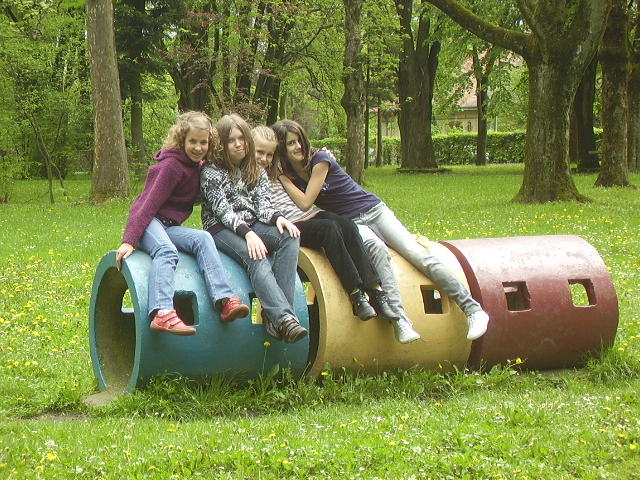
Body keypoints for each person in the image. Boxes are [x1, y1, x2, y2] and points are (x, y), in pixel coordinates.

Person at [271, 119, 490, 341]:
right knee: (378, 251)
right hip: (352, 223)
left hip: (374, 210)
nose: (298, 146)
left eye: (299, 140)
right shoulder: (289, 173)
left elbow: (305, 202)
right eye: (290, 143)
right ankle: (400, 320)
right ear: (281, 148)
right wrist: (281, 175)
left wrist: (282, 178)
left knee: (418, 255)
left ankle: (472, 309)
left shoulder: (320, 159)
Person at [252, 125, 420, 344]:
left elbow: (304, 155)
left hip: (311, 215)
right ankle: (356, 294)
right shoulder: (251, 174)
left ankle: (375, 291)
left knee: (347, 225)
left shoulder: (280, 165)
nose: (265, 158)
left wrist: (324, 154)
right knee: (329, 230)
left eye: (269, 154)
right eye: (260, 153)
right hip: (290, 224)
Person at [116, 111, 249, 336]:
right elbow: (145, 205)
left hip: (169, 226)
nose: (198, 147)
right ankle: (162, 312)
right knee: (166, 251)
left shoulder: (198, 167)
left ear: (210, 142)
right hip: (150, 222)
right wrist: (129, 240)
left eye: (203, 142)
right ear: (182, 140)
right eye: (192, 142)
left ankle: (224, 299)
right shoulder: (170, 166)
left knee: (204, 238)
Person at [200, 114, 308, 343]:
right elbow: (223, 211)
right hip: (220, 228)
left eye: (242, 138)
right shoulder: (211, 172)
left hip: (252, 222)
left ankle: (276, 315)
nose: (238, 144)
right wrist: (248, 234)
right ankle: (284, 318)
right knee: (256, 256)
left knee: (289, 236)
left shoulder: (255, 170)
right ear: (221, 144)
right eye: (231, 140)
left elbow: (263, 205)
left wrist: (279, 219)